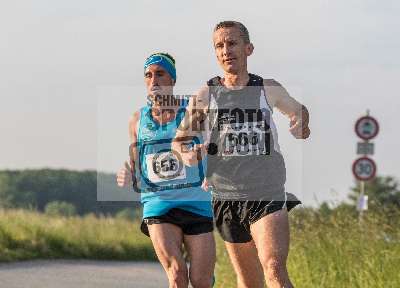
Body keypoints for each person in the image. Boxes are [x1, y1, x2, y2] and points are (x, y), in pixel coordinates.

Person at [172, 21, 310, 288]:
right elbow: (180, 140)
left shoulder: (267, 89)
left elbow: (299, 111)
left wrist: (301, 122)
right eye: (219, 46)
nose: (226, 50)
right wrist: (188, 155)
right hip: (227, 197)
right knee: (249, 282)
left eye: (232, 43)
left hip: (266, 193)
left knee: (273, 267)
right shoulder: (206, 95)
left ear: (249, 48)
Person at [117, 52, 215, 288]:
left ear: (172, 79)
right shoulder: (137, 120)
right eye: (148, 75)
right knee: (177, 273)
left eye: (160, 74)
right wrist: (129, 174)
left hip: (197, 201)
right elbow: (137, 165)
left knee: (201, 281)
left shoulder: (193, 111)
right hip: (158, 203)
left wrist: (202, 154)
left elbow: (216, 147)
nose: (154, 81)